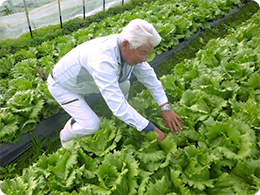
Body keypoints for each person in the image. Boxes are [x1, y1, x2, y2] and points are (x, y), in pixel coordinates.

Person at [47, 19, 184, 147]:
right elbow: (118, 106)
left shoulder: (128, 45)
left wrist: (164, 106)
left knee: (124, 83)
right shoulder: (102, 59)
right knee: (92, 125)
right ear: (125, 45)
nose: (144, 59)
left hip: (85, 81)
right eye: (143, 53)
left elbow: (149, 76)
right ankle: (65, 137)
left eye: (147, 53)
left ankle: (123, 118)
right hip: (63, 86)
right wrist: (153, 130)